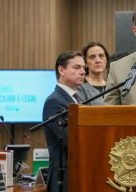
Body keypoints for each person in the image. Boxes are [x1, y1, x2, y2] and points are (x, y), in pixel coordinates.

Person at [42, 50, 85, 192]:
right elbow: (70, 139)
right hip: (65, 176)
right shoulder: (54, 101)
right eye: (77, 67)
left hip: (79, 171)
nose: (83, 72)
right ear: (61, 70)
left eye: (84, 68)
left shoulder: (78, 98)